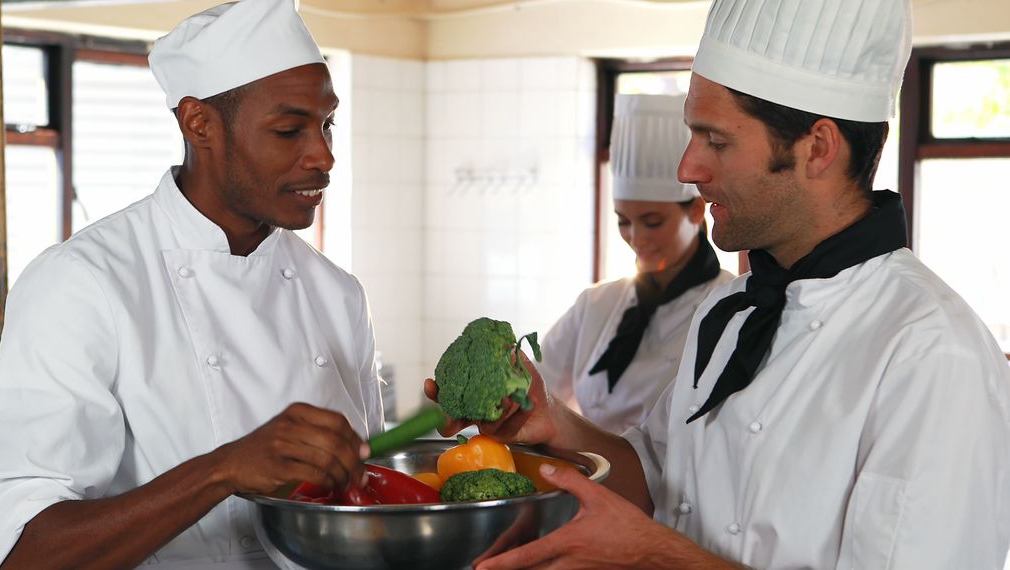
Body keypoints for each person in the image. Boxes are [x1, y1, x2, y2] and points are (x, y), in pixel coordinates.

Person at [430, 0, 1010, 568]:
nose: (686, 169)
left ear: (817, 148)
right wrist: (553, 420)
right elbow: (658, 479)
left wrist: (654, 555)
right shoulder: (731, 309)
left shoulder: (933, 354)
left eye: (716, 141)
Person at [0, 1, 383, 568]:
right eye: (290, 129)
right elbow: (23, 553)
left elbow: (372, 498)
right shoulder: (82, 284)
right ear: (199, 123)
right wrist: (223, 469)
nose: (324, 156)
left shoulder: (336, 293)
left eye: (327, 123)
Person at [539, 94, 732, 434]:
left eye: (653, 221)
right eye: (623, 221)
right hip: (584, 478)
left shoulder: (728, 307)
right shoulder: (597, 304)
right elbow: (534, 387)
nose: (636, 237)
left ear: (696, 211)